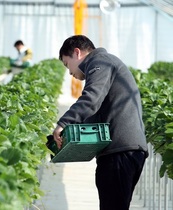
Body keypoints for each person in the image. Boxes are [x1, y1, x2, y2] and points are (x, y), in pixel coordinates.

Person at [52, 35, 148, 210]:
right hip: (124, 149)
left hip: (120, 151)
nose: (70, 73)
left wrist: (63, 123)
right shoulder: (104, 63)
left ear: (77, 52)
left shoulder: (100, 62)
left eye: (67, 65)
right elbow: (95, 110)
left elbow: (91, 99)